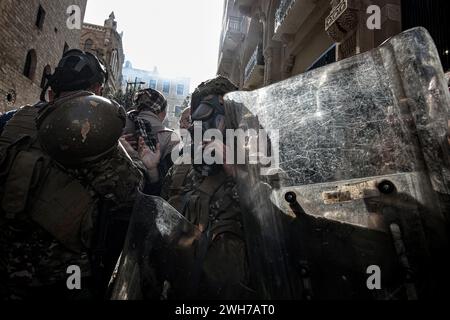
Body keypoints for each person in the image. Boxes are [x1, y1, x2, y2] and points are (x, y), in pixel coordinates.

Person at [0, 49, 144, 300]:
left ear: (53, 89)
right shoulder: (98, 137)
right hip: (62, 276)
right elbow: (130, 195)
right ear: (97, 89)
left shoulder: (13, 120)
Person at [131, 76, 252, 299]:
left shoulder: (256, 165)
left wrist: (238, 173)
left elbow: (276, 226)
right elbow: (159, 219)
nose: (207, 126)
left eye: (216, 117)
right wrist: (153, 172)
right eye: (201, 118)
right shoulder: (181, 168)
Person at [121, 88, 179, 195]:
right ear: (162, 112)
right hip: (152, 196)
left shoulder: (120, 126)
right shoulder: (171, 137)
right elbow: (171, 181)